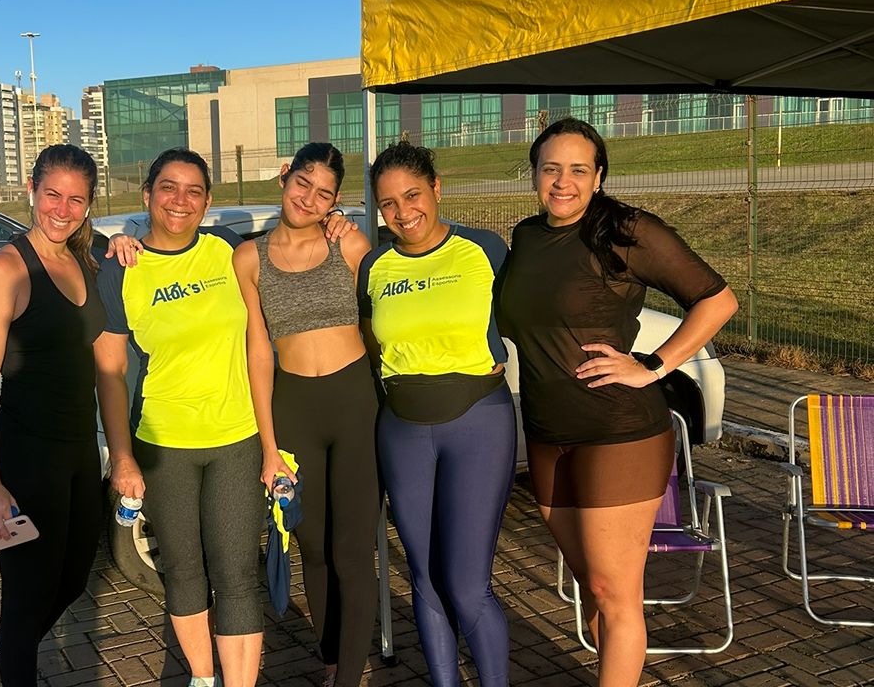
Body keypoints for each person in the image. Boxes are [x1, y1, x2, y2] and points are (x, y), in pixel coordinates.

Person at [495, 117, 738, 687]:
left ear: (599, 176)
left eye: (578, 169)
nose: (563, 181)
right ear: (534, 174)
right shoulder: (526, 237)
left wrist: (653, 365)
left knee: (613, 590)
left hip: (619, 433)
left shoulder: (625, 231)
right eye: (551, 169)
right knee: (592, 587)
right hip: (547, 434)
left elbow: (717, 300)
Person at [95, 148, 264, 687]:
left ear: (207, 202)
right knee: (184, 571)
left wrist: (334, 222)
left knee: (237, 575)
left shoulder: (228, 250)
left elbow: (292, 253)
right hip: (163, 442)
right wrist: (123, 457)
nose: (180, 200)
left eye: (194, 191)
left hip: (237, 437)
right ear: (147, 195)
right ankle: (202, 678)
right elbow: (110, 372)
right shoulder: (120, 268)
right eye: (168, 187)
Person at [358, 141, 516, 687]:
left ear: (436, 188)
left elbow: (531, 314)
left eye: (412, 195)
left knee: (467, 586)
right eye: (388, 203)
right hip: (402, 431)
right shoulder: (375, 265)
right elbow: (372, 343)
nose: (402, 212)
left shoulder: (484, 248)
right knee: (424, 580)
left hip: (478, 423)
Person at [232, 143, 379, 687]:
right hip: (294, 409)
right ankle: (333, 664)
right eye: (302, 183)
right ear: (283, 177)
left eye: (324, 194)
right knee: (313, 549)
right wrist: (269, 448)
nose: (309, 199)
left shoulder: (350, 243)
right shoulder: (248, 258)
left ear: (335, 201)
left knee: (352, 552)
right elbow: (257, 351)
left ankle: (348, 681)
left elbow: (383, 321)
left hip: (356, 404)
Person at [0, 144, 107, 686]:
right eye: (52, 195)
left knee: (72, 581)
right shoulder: (5, 270)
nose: (62, 210)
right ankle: (9, 665)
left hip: (79, 448)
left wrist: (125, 242)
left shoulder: (83, 258)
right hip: (27, 455)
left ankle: (2, 664)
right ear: (31, 189)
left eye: (76, 200)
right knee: (27, 599)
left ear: (89, 204)